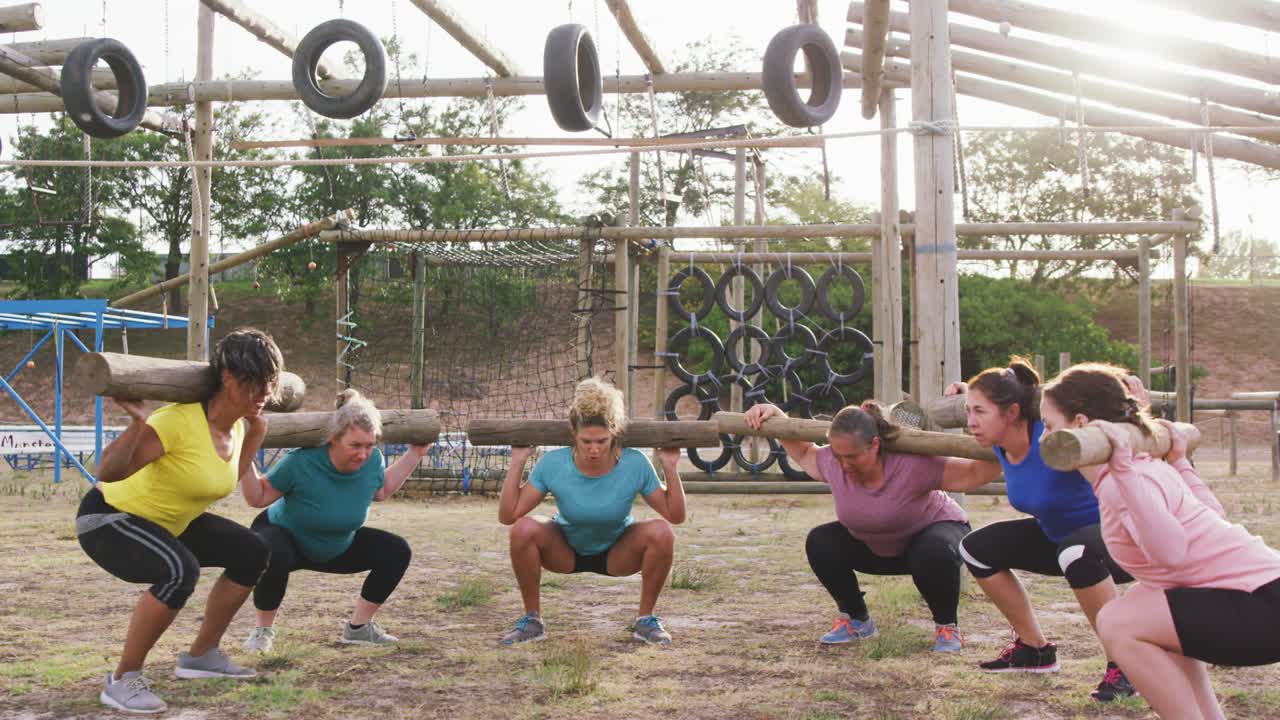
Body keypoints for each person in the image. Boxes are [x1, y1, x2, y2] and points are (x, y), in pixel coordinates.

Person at [1041, 363, 1280, 720]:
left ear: (1078, 425)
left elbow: (1170, 552)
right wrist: (1180, 463)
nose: (1043, 438)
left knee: (1118, 622)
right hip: (1264, 599)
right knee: (1149, 603)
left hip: (1261, 608)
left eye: (1047, 426)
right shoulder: (1147, 466)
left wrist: (1122, 473)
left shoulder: (1125, 476)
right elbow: (1216, 518)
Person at [76, 328, 281, 714]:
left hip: (168, 522)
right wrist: (139, 423)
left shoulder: (237, 426)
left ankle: (201, 657)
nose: (263, 391)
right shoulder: (177, 421)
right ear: (227, 377)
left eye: (268, 381)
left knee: (253, 551)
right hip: (110, 518)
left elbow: (228, 477)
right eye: (253, 381)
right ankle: (123, 680)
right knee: (178, 569)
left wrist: (260, 429)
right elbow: (108, 471)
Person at [947, 357, 1137, 702]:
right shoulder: (999, 444)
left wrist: (1127, 393)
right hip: (1061, 540)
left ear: (1013, 412)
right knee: (975, 548)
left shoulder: (1053, 431)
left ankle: (1126, 666)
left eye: (979, 412)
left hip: (1118, 542)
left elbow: (1088, 402)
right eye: (967, 411)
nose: (970, 422)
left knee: (1075, 552)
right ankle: (1034, 650)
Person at [744, 401, 1002, 652]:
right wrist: (774, 413)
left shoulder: (912, 464)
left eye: (852, 456)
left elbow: (974, 474)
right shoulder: (833, 464)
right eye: (838, 456)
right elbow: (802, 451)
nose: (844, 464)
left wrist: (1004, 443)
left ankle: (946, 626)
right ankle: (857, 621)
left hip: (934, 541)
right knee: (821, 541)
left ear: (875, 445)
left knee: (932, 551)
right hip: (878, 548)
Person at [497, 377, 686, 646]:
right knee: (523, 529)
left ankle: (645, 621)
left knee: (662, 532)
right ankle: (532, 620)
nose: (594, 449)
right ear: (574, 434)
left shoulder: (634, 462)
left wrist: (670, 466)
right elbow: (508, 515)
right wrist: (517, 463)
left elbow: (675, 515)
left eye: (602, 441)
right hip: (564, 550)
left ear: (615, 434)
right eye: (586, 441)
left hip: (618, 552)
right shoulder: (553, 463)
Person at [240, 389, 426, 653]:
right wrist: (244, 454)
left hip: (337, 544)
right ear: (334, 440)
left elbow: (381, 490)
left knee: (396, 550)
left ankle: (359, 629)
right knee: (273, 551)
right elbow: (257, 497)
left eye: (369, 445)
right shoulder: (301, 461)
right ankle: (261, 632)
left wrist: (415, 454)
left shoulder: (372, 461)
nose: (363, 454)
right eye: (355, 446)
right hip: (285, 537)